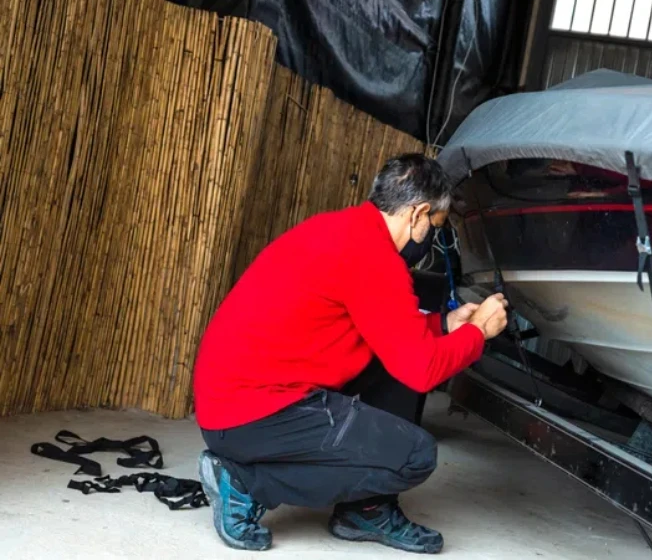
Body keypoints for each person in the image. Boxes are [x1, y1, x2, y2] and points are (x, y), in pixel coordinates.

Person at [191, 153, 509, 554]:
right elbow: (424, 369)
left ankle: (365, 511)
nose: (431, 235)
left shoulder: (343, 231)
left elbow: (389, 332)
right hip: (251, 416)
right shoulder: (373, 259)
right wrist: (479, 333)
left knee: (395, 369)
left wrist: (447, 326)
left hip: (234, 403)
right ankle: (244, 482)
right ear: (418, 214)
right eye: (435, 225)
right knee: (415, 456)